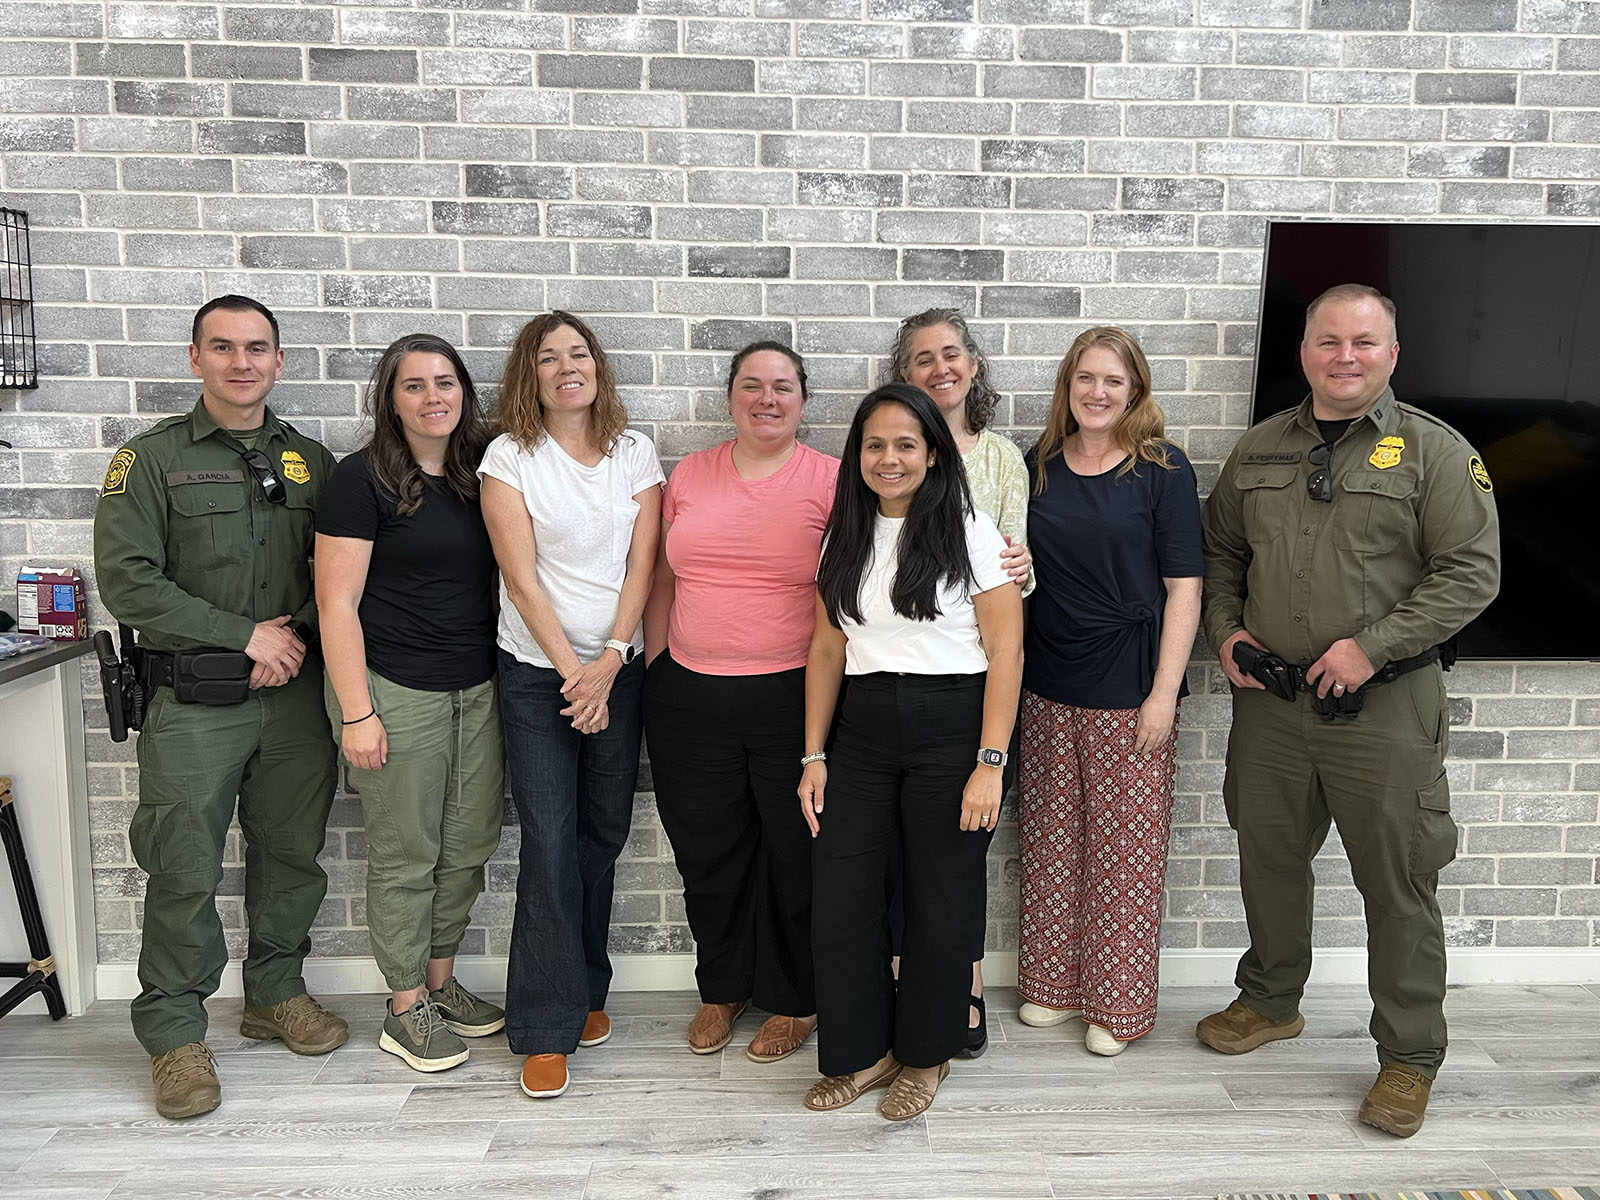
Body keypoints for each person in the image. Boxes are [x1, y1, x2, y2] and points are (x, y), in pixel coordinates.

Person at [1198, 283, 1500, 1138]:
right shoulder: (1259, 450)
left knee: (1399, 885)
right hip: (1273, 709)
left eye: (1364, 343)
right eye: (1328, 341)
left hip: (1387, 713)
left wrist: (1371, 646)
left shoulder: (1433, 453)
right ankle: (1270, 1001)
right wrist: (1226, 635)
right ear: (1305, 352)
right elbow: (1220, 552)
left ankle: (1408, 1058)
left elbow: (1472, 574)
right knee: (1270, 860)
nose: (1345, 357)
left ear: (1391, 355)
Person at [93, 294, 344, 1120]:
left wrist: (294, 639)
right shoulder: (151, 461)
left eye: (258, 348)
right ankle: (174, 1035)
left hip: (295, 697)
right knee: (184, 867)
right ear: (195, 357)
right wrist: (245, 637)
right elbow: (129, 581)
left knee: (292, 855)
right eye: (224, 347)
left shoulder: (315, 462)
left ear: (279, 360)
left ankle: (275, 994)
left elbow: (341, 574)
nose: (243, 362)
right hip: (195, 703)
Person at [798, 383, 1023, 1122]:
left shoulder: (973, 532)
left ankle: (927, 1055)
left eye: (904, 444)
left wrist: (990, 764)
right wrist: (813, 755)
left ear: (932, 453)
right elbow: (828, 647)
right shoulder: (846, 535)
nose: (888, 458)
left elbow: (1006, 652)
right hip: (860, 730)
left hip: (952, 728)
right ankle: (865, 1051)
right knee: (843, 896)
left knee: (940, 899)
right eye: (874, 444)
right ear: (857, 455)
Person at [479, 311, 663, 1102]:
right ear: (531, 375)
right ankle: (545, 1024)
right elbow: (521, 580)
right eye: (547, 358)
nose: (565, 368)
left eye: (577, 354)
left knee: (602, 832)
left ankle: (585, 986)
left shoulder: (635, 451)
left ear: (597, 367)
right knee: (550, 840)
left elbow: (644, 564)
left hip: (620, 669)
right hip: (535, 671)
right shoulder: (508, 456)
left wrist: (611, 662)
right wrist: (573, 676)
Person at [642, 342, 837, 1062]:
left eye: (782, 387)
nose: (766, 399)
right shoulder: (691, 473)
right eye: (751, 386)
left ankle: (795, 997)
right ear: (730, 398)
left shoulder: (832, 480)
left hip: (791, 693)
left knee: (796, 853)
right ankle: (723, 987)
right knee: (708, 854)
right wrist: (661, 670)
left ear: (803, 401)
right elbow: (663, 579)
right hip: (689, 696)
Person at [315, 334, 504, 1073]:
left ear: (465, 393)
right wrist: (357, 712)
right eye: (415, 386)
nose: (434, 398)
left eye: (446, 383)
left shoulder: (478, 472)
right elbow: (335, 603)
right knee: (406, 856)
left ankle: (438, 982)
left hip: (477, 690)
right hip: (394, 692)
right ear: (389, 399)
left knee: (466, 849)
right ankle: (403, 1010)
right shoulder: (358, 480)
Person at [1013, 327, 1203, 1056]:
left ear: (1135, 392)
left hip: (1131, 686)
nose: (1097, 392)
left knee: (1125, 855)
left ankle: (1116, 1007)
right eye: (1085, 378)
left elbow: (1184, 590)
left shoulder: (1164, 471)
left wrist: (1164, 693)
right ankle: (1055, 987)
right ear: (1068, 386)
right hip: (1047, 682)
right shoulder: (1037, 467)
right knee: (1053, 845)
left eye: (1113, 382)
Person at [888, 308, 1032, 1057]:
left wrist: (1021, 568)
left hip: (975, 680)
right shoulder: (887, 453)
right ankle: (904, 978)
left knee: (958, 849)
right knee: (893, 852)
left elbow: (1015, 563)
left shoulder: (1003, 459)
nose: (939, 368)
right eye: (922, 359)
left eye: (951, 355)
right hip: (890, 681)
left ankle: (964, 983)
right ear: (903, 374)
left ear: (974, 366)